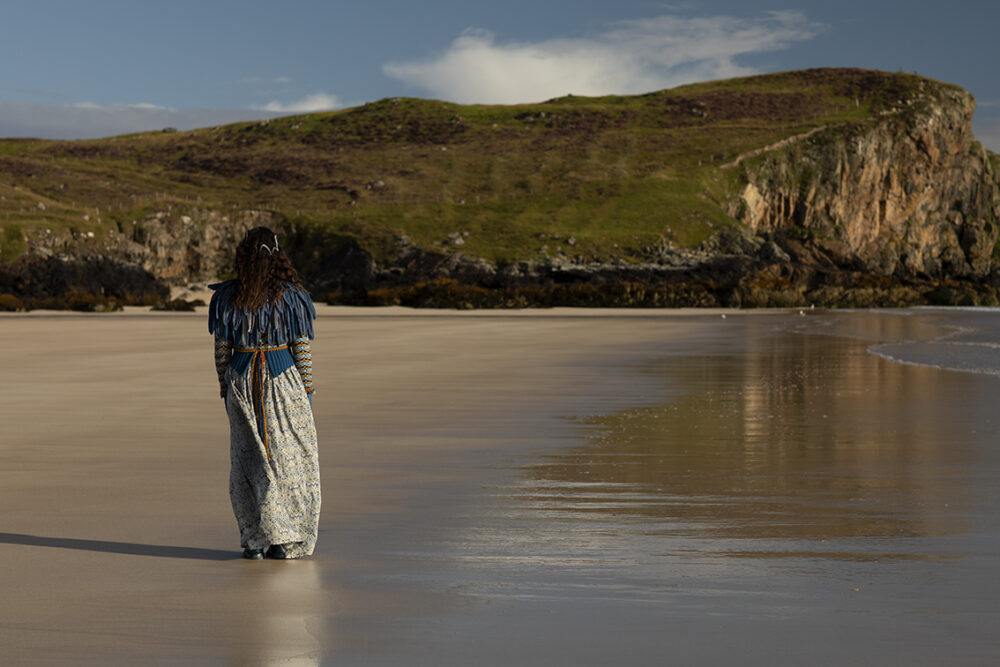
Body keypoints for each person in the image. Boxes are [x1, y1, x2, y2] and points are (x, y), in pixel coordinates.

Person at [208, 227, 321, 560]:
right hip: (282, 380)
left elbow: (221, 351)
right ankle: (285, 540)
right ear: (277, 257)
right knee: (290, 458)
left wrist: (225, 387)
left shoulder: (227, 296)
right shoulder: (290, 296)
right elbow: (301, 349)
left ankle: (255, 539)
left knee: (248, 460)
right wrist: (308, 390)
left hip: (241, 381)